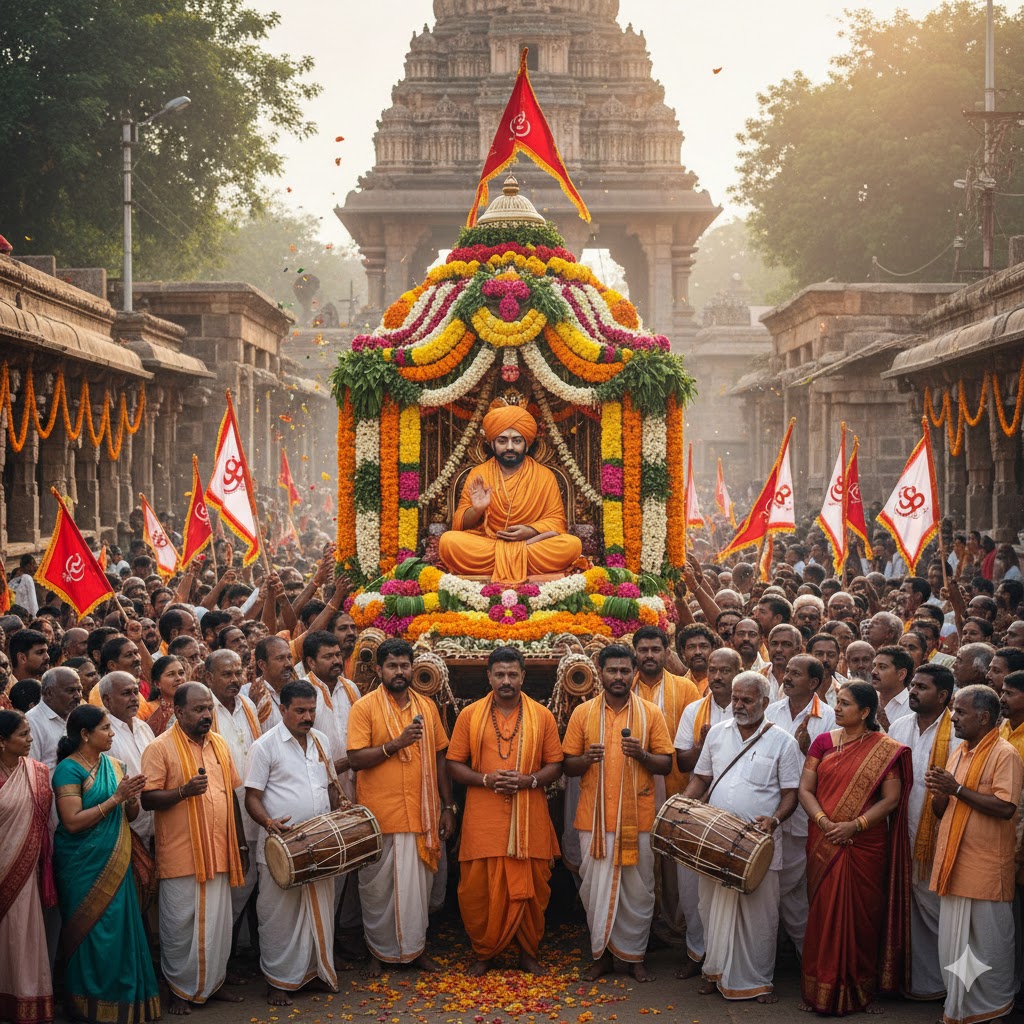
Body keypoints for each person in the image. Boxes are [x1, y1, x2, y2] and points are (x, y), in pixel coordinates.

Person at [682, 672, 802, 1002]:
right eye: (735, 698)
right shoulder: (717, 734)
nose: (738, 705)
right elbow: (701, 778)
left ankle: (758, 981)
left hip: (758, 844)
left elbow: (792, 793)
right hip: (714, 840)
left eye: (747, 700)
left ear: (765, 703)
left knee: (758, 915)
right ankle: (714, 971)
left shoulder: (784, 741)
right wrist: (684, 803)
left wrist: (775, 820)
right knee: (711, 908)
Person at [446, 647, 563, 976]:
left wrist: (528, 780)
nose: (507, 681)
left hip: (530, 815)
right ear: (489, 677)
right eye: (500, 674)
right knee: (477, 888)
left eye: (513, 674)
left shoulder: (542, 715)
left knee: (533, 887)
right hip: (484, 818)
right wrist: (485, 779)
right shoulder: (470, 715)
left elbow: (556, 765)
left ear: (523, 676)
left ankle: (528, 952)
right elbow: (454, 763)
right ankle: (486, 951)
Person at [798, 681, 912, 1014]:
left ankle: (860, 989)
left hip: (864, 843)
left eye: (845, 704)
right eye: (837, 702)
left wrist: (854, 826)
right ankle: (818, 988)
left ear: (864, 712)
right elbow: (806, 789)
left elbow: (891, 800)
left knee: (862, 917)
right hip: (824, 839)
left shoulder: (884, 749)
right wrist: (824, 822)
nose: (836, 708)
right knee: (822, 914)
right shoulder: (822, 743)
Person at [562, 644, 673, 983]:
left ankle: (634, 957)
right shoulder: (583, 713)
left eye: (625, 671)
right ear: (600, 672)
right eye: (613, 670)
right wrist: (586, 760)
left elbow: (666, 764)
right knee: (594, 892)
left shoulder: (651, 713)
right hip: (593, 821)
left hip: (637, 819)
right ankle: (603, 956)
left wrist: (641, 754)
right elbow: (567, 765)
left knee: (639, 890)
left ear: (634, 672)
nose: (619, 677)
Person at [347, 638, 455, 975]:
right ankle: (377, 954)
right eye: (392, 666)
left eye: (404, 665)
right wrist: (395, 744)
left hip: (422, 815)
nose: (399, 671)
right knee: (377, 891)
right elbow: (355, 759)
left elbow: (439, 757)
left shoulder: (427, 706)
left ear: (412, 668)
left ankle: (415, 950)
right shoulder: (363, 708)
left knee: (417, 894)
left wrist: (447, 806)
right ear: (379, 669)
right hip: (381, 817)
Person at [141, 683, 248, 1015]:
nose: (206, 715)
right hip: (181, 854)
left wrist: (241, 842)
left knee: (217, 925)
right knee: (180, 926)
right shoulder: (159, 748)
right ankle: (178, 990)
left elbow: (230, 794)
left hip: (219, 850)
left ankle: (212, 984)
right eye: (199, 709)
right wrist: (183, 792)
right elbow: (147, 799)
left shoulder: (218, 743)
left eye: (208, 709)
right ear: (178, 711)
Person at [52, 705, 159, 1023]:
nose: (113, 733)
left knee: (121, 929)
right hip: (81, 866)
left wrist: (130, 799)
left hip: (117, 860)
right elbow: (71, 822)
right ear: (85, 735)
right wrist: (115, 797)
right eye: (106, 729)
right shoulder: (68, 771)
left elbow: (130, 816)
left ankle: (126, 1002)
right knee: (93, 934)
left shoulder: (115, 765)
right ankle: (88, 1005)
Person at [927, 684, 1022, 1024]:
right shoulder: (958, 752)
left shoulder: (1004, 753)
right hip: (955, 868)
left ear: (983, 717)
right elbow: (945, 811)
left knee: (988, 951)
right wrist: (941, 791)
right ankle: (960, 1011)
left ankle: (990, 1013)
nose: (954, 717)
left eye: (961, 712)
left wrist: (957, 789)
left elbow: (1006, 807)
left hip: (984, 872)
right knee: (955, 952)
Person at [245, 680, 341, 1005]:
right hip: (280, 848)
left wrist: (343, 810)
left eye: (312, 710)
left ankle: (313, 972)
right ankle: (277, 982)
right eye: (299, 710)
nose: (307, 716)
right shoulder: (265, 746)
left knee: (320, 911)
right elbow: (252, 798)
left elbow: (330, 786)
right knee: (277, 916)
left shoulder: (321, 741)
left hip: (320, 843)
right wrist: (269, 823)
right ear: (283, 709)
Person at [437, 401, 582, 584]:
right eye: (502, 440)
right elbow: (460, 523)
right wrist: (478, 510)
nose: (510, 447)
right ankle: (515, 561)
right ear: (492, 443)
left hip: (531, 544)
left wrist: (529, 531)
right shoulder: (479, 473)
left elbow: (557, 522)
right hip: (489, 543)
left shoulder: (545, 475)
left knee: (571, 545)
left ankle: (507, 560)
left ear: (527, 444)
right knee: (449, 542)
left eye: (517, 440)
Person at [887, 665, 960, 1000]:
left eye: (922, 687)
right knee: (913, 910)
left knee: (944, 915)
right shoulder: (900, 726)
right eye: (912, 685)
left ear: (943, 696)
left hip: (942, 835)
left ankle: (956, 987)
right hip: (904, 831)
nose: (913, 691)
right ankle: (924, 984)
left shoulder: (958, 731)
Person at [672, 647, 739, 978]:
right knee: (692, 890)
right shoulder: (694, 710)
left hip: (736, 816)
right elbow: (682, 762)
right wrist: (700, 745)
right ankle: (696, 953)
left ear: (738, 672)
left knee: (728, 891)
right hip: (698, 812)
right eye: (713, 670)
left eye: (725, 670)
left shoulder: (752, 710)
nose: (717, 676)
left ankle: (727, 959)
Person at [630, 625, 700, 944]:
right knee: (641, 859)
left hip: (675, 786)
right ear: (635, 652)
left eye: (655, 650)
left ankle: (675, 926)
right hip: (632, 790)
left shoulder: (685, 690)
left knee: (674, 863)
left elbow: (693, 742)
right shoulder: (623, 686)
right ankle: (647, 926)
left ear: (666, 651)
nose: (649, 656)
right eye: (643, 650)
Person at [765, 654, 836, 957]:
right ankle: (798, 954)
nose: (787, 677)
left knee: (793, 892)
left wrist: (809, 751)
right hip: (774, 813)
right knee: (780, 891)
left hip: (809, 818)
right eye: (787, 672)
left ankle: (807, 956)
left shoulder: (830, 717)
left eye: (796, 673)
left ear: (815, 683)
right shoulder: (770, 710)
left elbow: (838, 768)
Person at [0, 709, 55, 1024]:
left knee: (24, 933)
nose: (30, 739)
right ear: (2, 742)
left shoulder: (36, 772)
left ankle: (26, 999)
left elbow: (44, 825)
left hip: (29, 870)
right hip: (4, 866)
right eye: (23, 735)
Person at [205, 650, 262, 928]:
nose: (235, 680)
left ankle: (231, 951)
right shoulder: (201, 708)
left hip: (250, 811)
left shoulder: (248, 705)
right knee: (222, 888)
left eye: (238, 673)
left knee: (247, 883)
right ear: (209, 677)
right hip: (218, 818)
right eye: (227, 674)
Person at [99, 672, 156, 850]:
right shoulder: (103, 734)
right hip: (125, 828)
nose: (134, 698)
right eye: (126, 693)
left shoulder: (144, 727)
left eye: (136, 692)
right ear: (107, 700)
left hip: (155, 824)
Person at [25, 667, 83, 770]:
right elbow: (31, 770)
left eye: (79, 690)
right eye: (71, 690)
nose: (78, 696)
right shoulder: (31, 722)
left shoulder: (78, 717)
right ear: (49, 693)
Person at [138, 656, 188, 736]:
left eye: (181, 673)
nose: (178, 678)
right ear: (157, 684)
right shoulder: (151, 715)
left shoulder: (195, 705)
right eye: (171, 674)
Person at [871, 645, 914, 732]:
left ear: (901, 674)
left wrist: (885, 724)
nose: (874, 672)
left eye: (882, 667)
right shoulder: (867, 698)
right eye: (874, 666)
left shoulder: (913, 707)